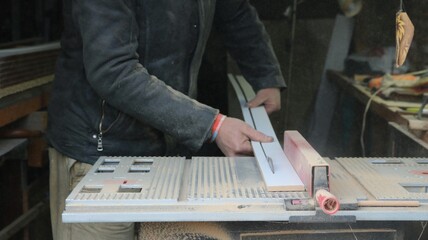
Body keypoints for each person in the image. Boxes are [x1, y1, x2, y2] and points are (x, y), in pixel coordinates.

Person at [46, 0, 286, 239]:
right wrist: (212, 125)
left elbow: (235, 12)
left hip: (167, 148)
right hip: (101, 152)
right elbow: (113, 69)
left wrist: (265, 74)